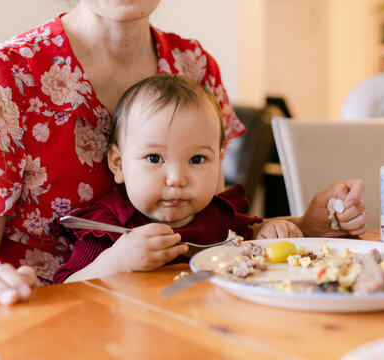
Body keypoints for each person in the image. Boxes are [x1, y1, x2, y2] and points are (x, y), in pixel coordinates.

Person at [0, 0, 367, 305]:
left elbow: (210, 224)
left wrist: (305, 226)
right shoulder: (5, 75)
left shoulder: (194, 67)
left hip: (188, 316)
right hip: (52, 325)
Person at [53, 74, 304, 283]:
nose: (176, 179)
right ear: (118, 164)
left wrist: (269, 232)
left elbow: (254, 242)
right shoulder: (107, 226)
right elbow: (65, 288)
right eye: (154, 158)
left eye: (196, 160)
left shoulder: (221, 217)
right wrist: (116, 261)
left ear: (219, 159)